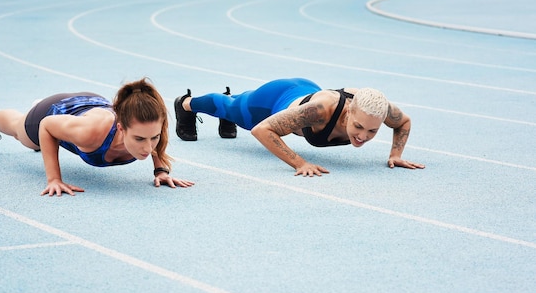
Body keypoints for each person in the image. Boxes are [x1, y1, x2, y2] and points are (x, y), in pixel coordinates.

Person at [0, 78, 194, 196]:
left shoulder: (148, 128)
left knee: (150, 134)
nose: (148, 147)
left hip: (91, 107)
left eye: (153, 138)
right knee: (23, 135)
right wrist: (54, 179)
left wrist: (161, 170)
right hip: (54, 111)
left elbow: (152, 135)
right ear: (121, 128)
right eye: (139, 140)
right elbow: (47, 125)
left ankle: (57, 132)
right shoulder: (92, 133)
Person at [174, 77, 424, 176]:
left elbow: (403, 122)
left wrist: (396, 154)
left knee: (236, 105)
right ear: (348, 112)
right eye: (358, 126)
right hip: (273, 100)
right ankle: (185, 104)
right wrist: (300, 163)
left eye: (372, 131)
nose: (363, 136)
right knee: (230, 106)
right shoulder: (319, 112)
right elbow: (263, 130)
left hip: (304, 89)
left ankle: (230, 110)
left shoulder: (377, 109)